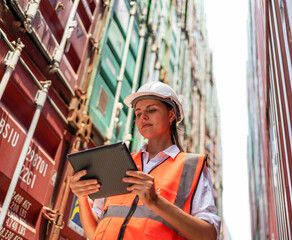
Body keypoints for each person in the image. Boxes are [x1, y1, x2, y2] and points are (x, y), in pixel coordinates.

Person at [70, 81, 221, 240]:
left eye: (152, 110)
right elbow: (94, 233)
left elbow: (208, 235)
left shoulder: (190, 168)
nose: (143, 117)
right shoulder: (120, 163)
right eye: (138, 113)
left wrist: (155, 201)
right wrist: (82, 196)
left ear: (171, 115)